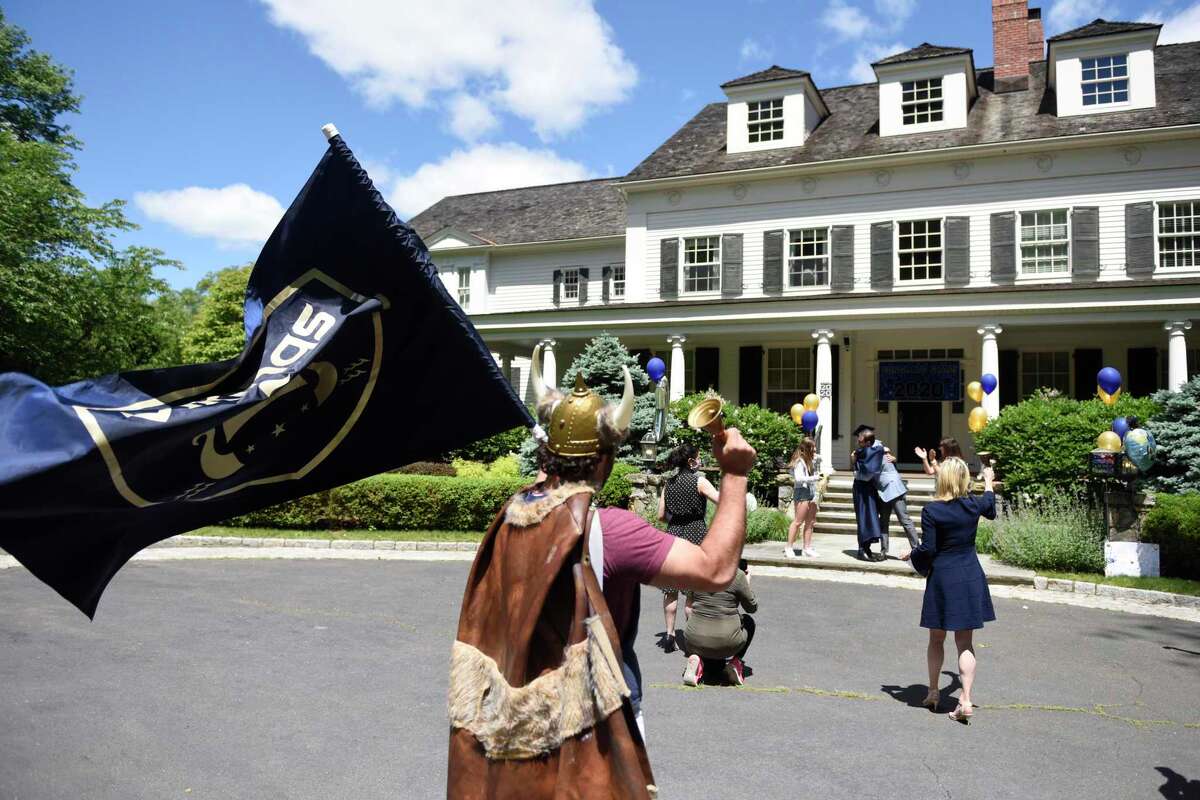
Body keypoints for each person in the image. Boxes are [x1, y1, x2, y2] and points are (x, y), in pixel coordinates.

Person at [447, 344, 756, 798]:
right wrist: (735, 474)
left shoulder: (510, 515)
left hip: (513, 722)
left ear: (545, 453)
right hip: (594, 727)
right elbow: (716, 570)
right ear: (606, 460)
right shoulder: (611, 530)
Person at [903, 458, 997, 724]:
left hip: (943, 578)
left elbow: (929, 549)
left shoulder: (932, 510)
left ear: (942, 478)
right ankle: (965, 699)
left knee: (936, 638)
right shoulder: (972, 505)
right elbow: (990, 508)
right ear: (964, 478)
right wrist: (988, 481)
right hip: (969, 575)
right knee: (965, 643)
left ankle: (933, 692)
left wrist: (911, 556)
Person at [657, 444, 720, 651]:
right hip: (695, 533)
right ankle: (692, 639)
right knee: (692, 591)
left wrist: (676, 519)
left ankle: (669, 635)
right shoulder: (699, 481)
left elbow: (660, 515)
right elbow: (721, 501)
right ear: (691, 461)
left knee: (670, 590)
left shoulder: (669, 484)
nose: (700, 461)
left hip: (673, 534)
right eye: (699, 457)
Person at [682, 558, 758, 686]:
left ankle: (697, 659)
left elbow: (688, 607)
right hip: (726, 640)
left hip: (694, 639)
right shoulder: (737, 575)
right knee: (748, 622)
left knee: (714, 669)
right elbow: (752, 608)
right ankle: (736, 662)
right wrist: (746, 584)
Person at [876, 440, 919, 555]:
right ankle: (884, 551)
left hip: (895, 491)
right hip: (884, 493)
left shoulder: (882, 457)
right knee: (884, 521)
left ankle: (917, 550)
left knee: (904, 520)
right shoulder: (883, 456)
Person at [850, 424, 885, 561]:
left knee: (871, 517)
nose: (858, 443)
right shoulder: (861, 452)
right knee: (863, 518)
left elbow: (868, 472)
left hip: (869, 487)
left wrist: (855, 461)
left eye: (860, 441)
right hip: (860, 488)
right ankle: (861, 549)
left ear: (868, 442)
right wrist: (855, 461)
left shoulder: (874, 451)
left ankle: (867, 548)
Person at [784, 438, 820, 558]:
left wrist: (816, 464)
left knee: (810, 522)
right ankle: (789, 547)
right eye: (813, 447)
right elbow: (799, 478)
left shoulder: (809, 460)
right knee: (798, 522)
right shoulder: (799, 462)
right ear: (806, 448)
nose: (815, 449)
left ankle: (807, 548)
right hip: (802, 492)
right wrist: (814, 478)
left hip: (811, 491)